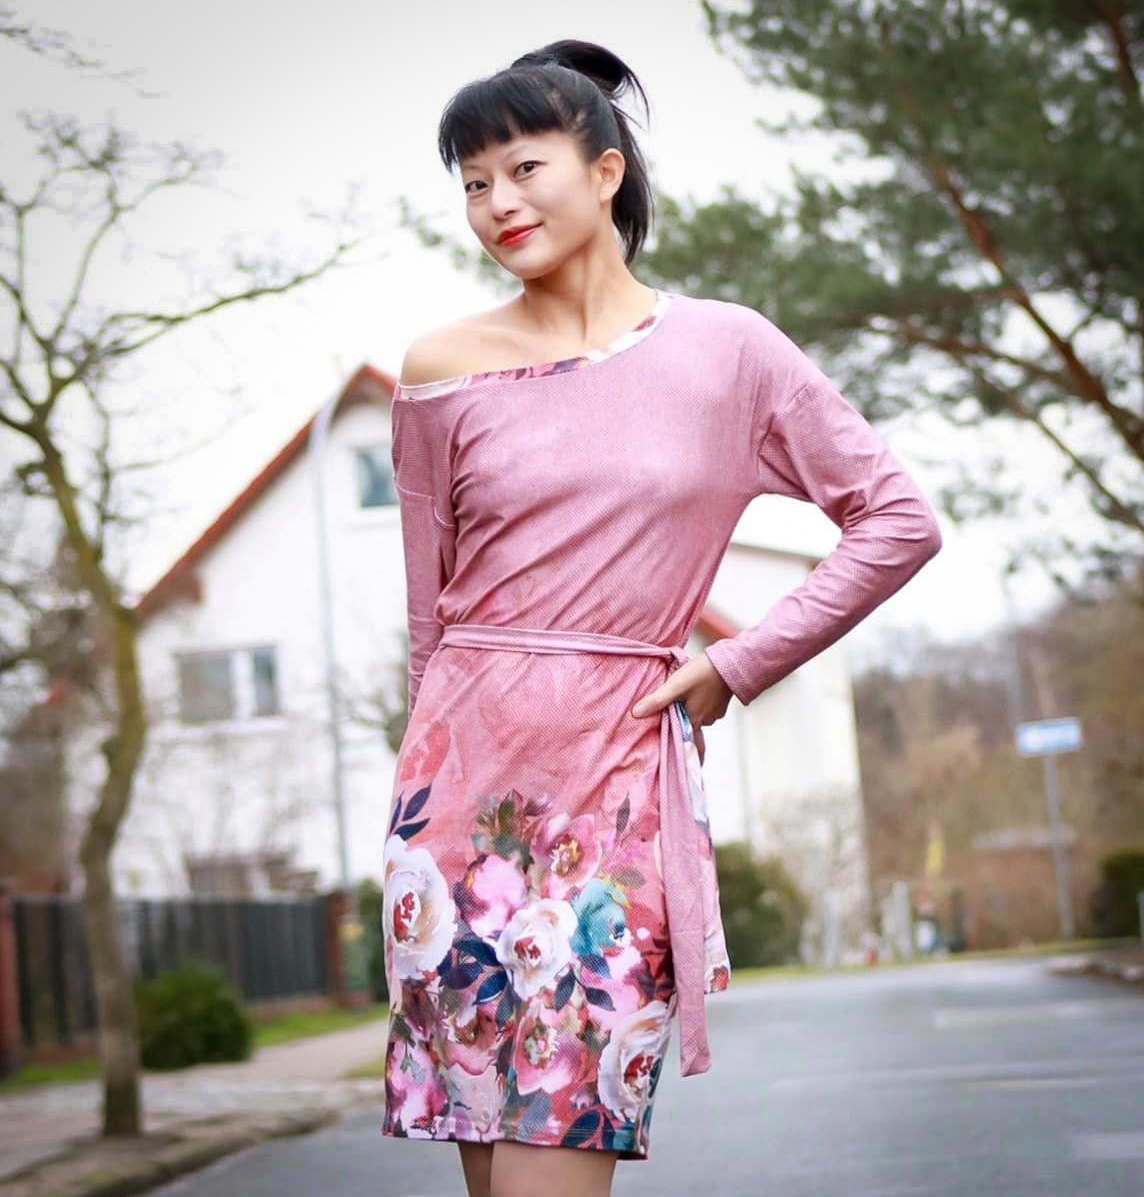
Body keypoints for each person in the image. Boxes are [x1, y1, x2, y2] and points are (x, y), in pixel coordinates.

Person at [381, 38, 943, 1197]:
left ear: (607, 171)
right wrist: (416, 796)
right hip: (457, 810)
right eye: (474, 183)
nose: (497, 204)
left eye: (523, 169)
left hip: (615, 797)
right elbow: (427, 619)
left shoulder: (729, 353)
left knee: (555, 1162)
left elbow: (896, 520)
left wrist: (740, 661)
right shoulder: (440, 369)